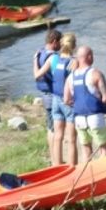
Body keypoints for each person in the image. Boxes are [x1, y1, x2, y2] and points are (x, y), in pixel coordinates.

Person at [34, 32, 78, 164]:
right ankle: (73, 170)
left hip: (56, 101)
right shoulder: (74, 63)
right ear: (74, 46)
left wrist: (35, 60)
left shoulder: (53, 59)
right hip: (69, 103)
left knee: (58, 136)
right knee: (71, 140)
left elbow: (37, 74)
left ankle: (56, 166)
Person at [64, 45, 106, 160]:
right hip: (95, 118)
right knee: (103, 149)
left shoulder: (70, 77)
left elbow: (66, 100)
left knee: (86, 151)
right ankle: (104, 173)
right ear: (89, 57)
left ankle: (90, 175)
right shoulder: (96, 74)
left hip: (79, 119)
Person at [32, 29, 61, 162]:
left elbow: (36, 74)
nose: (60, 46)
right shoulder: (53, 57)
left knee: (50, 128)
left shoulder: (39, 53)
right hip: (51, 95)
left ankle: (53, 156)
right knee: (55, 129)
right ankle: (56, 160)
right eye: (59, 42)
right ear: (54, 42)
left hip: (44, 94)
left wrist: (34, 62)